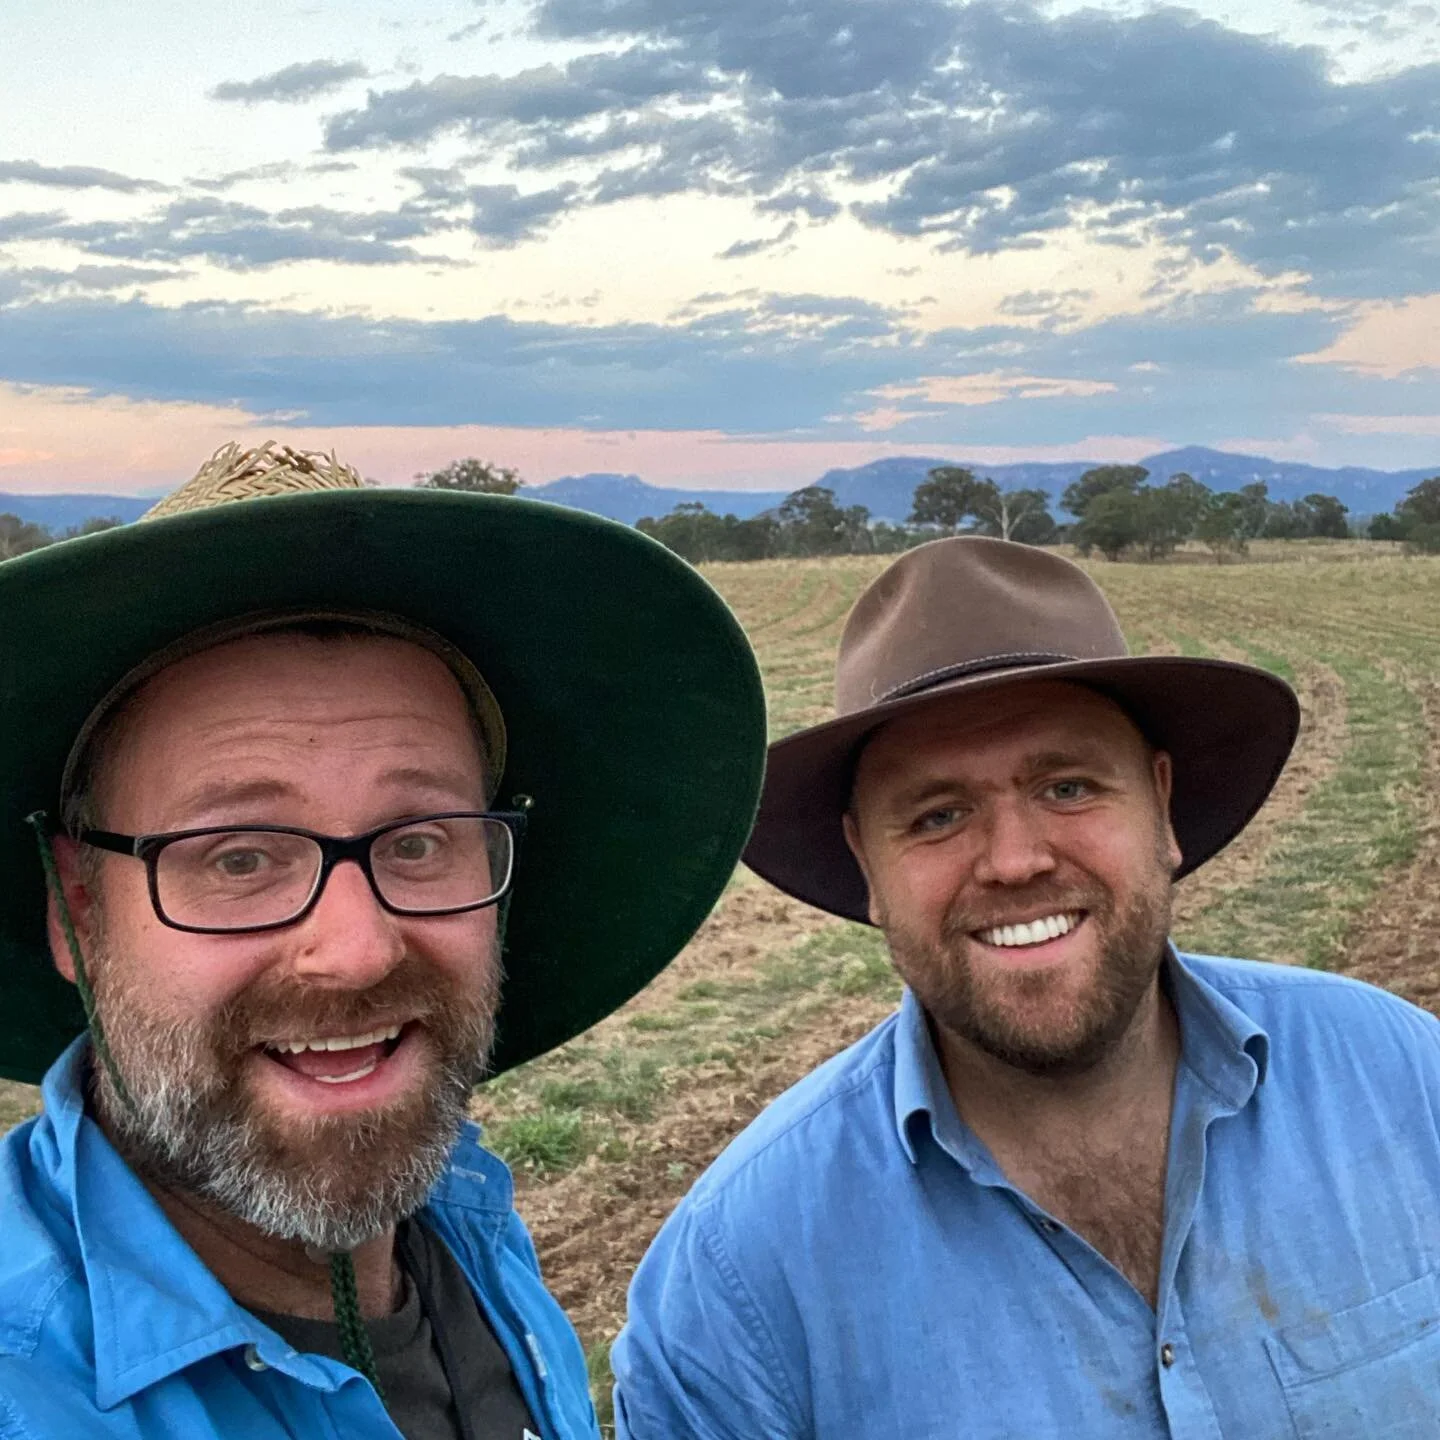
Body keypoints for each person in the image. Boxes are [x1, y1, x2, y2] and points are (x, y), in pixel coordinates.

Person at [0, 442, 766, 1439]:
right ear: (78, 910)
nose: (357, 951)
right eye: (239, 858)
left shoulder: (461, 1222)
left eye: (416, 841)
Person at [612, 536, 1440, 1438]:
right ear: (866, 864)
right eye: (938, 815)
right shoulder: (738, 1286)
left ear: (1161, 807)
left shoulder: (1404, 1080)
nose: (1014, 861)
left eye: (1070, 786)